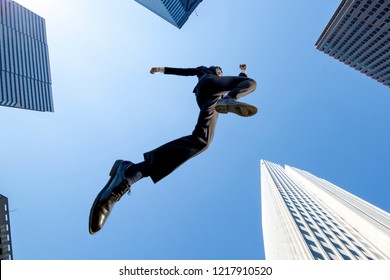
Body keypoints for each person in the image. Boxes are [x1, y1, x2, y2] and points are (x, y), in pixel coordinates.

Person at [89, 64, 257, 234]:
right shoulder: (205, 71)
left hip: (213, 103)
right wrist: (161, 69)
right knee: (251, 83)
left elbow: (241, 80)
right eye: (219, 71)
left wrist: (242, 71)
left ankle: (130, 173)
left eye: (222, 73)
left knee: (202, 142)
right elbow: (185, 71)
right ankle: (230, 100)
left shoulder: (220, 86)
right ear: (214, 70)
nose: (221, 74)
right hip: (207, 88)